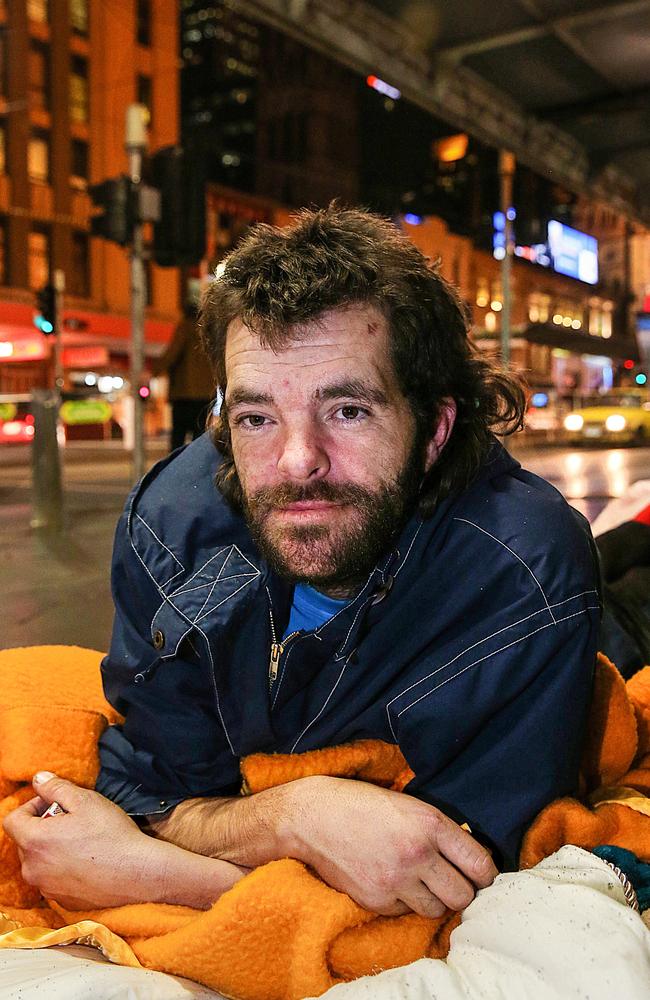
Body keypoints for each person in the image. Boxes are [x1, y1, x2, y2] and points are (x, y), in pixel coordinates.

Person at [4, 206, 600, 919]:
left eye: (347, 410)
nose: (296, 461)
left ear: (435, 429)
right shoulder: (173, 526)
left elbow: (453, 883)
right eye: (256, 417)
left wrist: (164, 876)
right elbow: (151, 788)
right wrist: (298, 817)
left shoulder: (524, 575)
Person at [150, 301, 215, 451]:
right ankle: (198, 472)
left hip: (184, 394)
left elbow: (172, 354)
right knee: (199, 439)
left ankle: (176, 472)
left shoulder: (185, 327)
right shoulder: (209, 331)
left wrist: (154, 371)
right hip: (205, 395)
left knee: (177, 438)